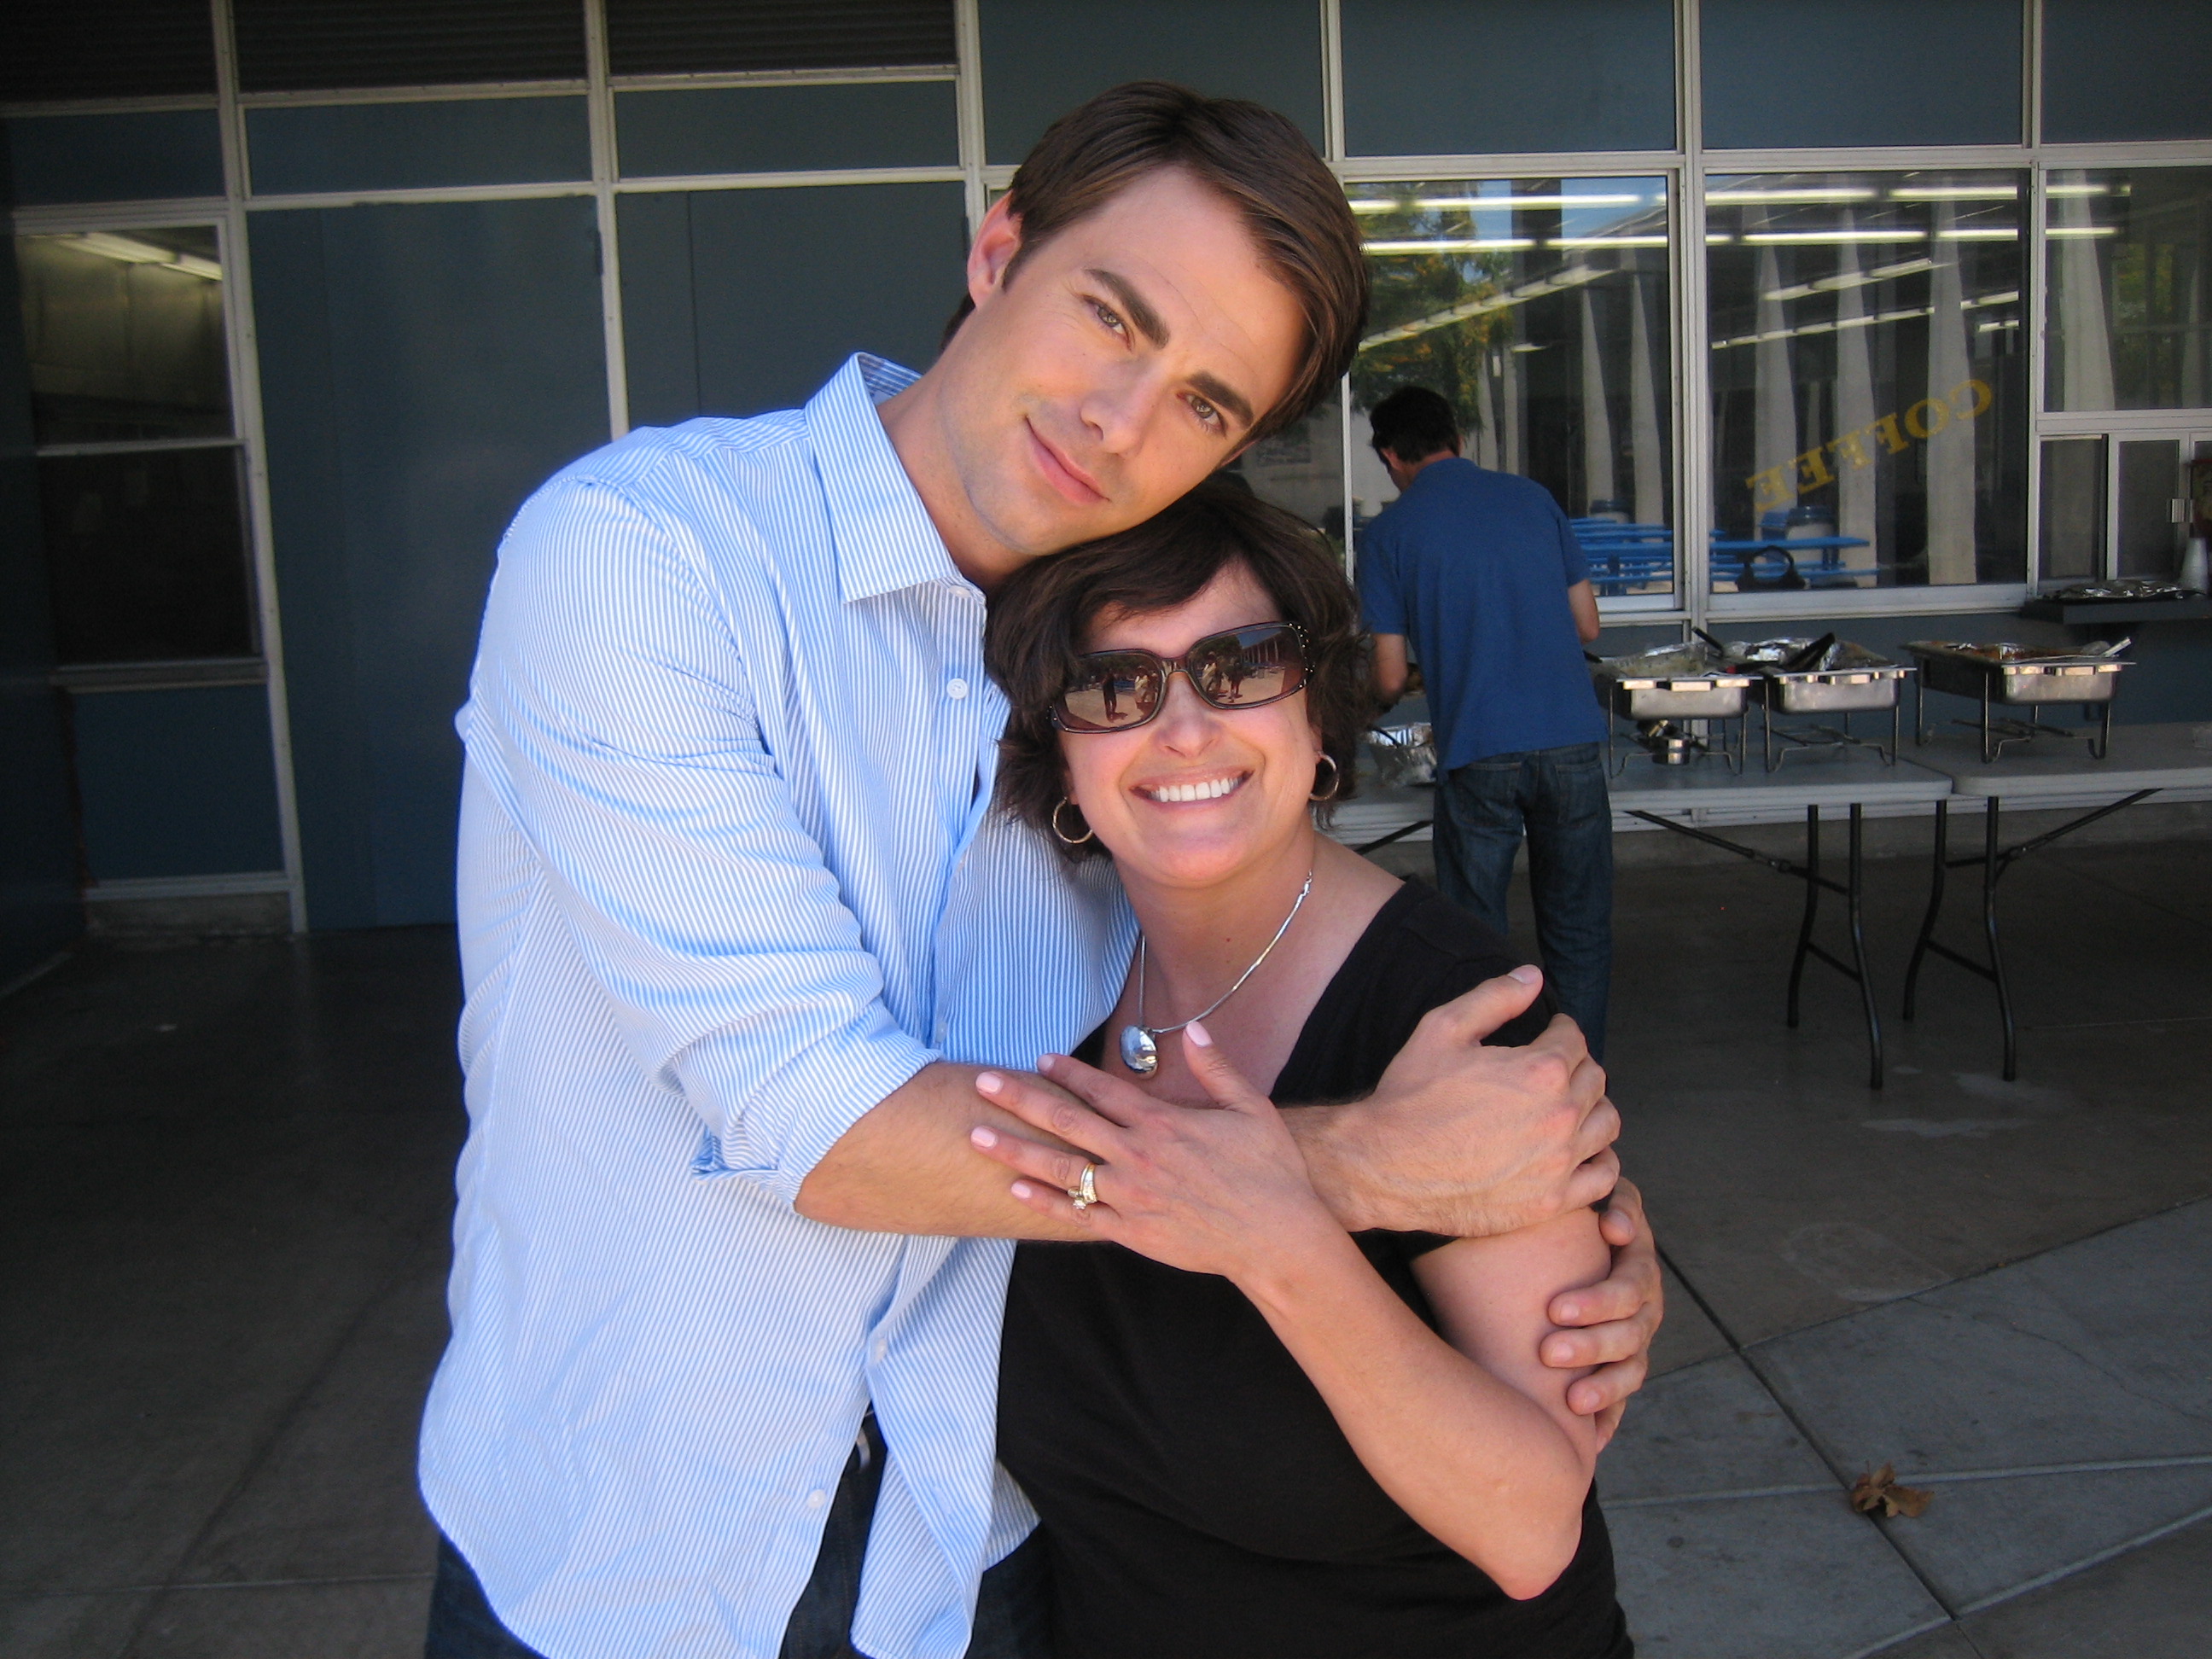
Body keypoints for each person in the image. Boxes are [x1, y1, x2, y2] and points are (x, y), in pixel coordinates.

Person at [422, 84, 1659, 1659]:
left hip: (969, 1559)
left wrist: (1558, 1242)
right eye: (1111, 317)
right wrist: (1374, 1174)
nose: (1124, 417)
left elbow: (1280, 963)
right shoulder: (648, 555)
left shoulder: (1094, 684)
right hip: (628, 1554)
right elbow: (830, 1122)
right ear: (997, 246)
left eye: (1207, 401)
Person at [974, 479, 1630, 1659]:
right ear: (1056, 753)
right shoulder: (1029, 994)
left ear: (1316, 713)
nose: (1184, 729)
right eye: (1117, 685)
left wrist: (1283, 1245)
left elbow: (1533, 1526)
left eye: (1239, 666)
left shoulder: (1453, 1026)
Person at [1361, 387, 1615, 1056]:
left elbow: (1388, 676)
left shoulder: (1388, 534)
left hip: (1478, 751)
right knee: (1580, 924)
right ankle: (1579, 1076)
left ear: (1391, 456)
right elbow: (1586, 624)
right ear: (1459, 440)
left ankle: (1500, 1080)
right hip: (1571, 741)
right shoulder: (1533, 499)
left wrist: (1408, 679)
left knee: (1477, 932)